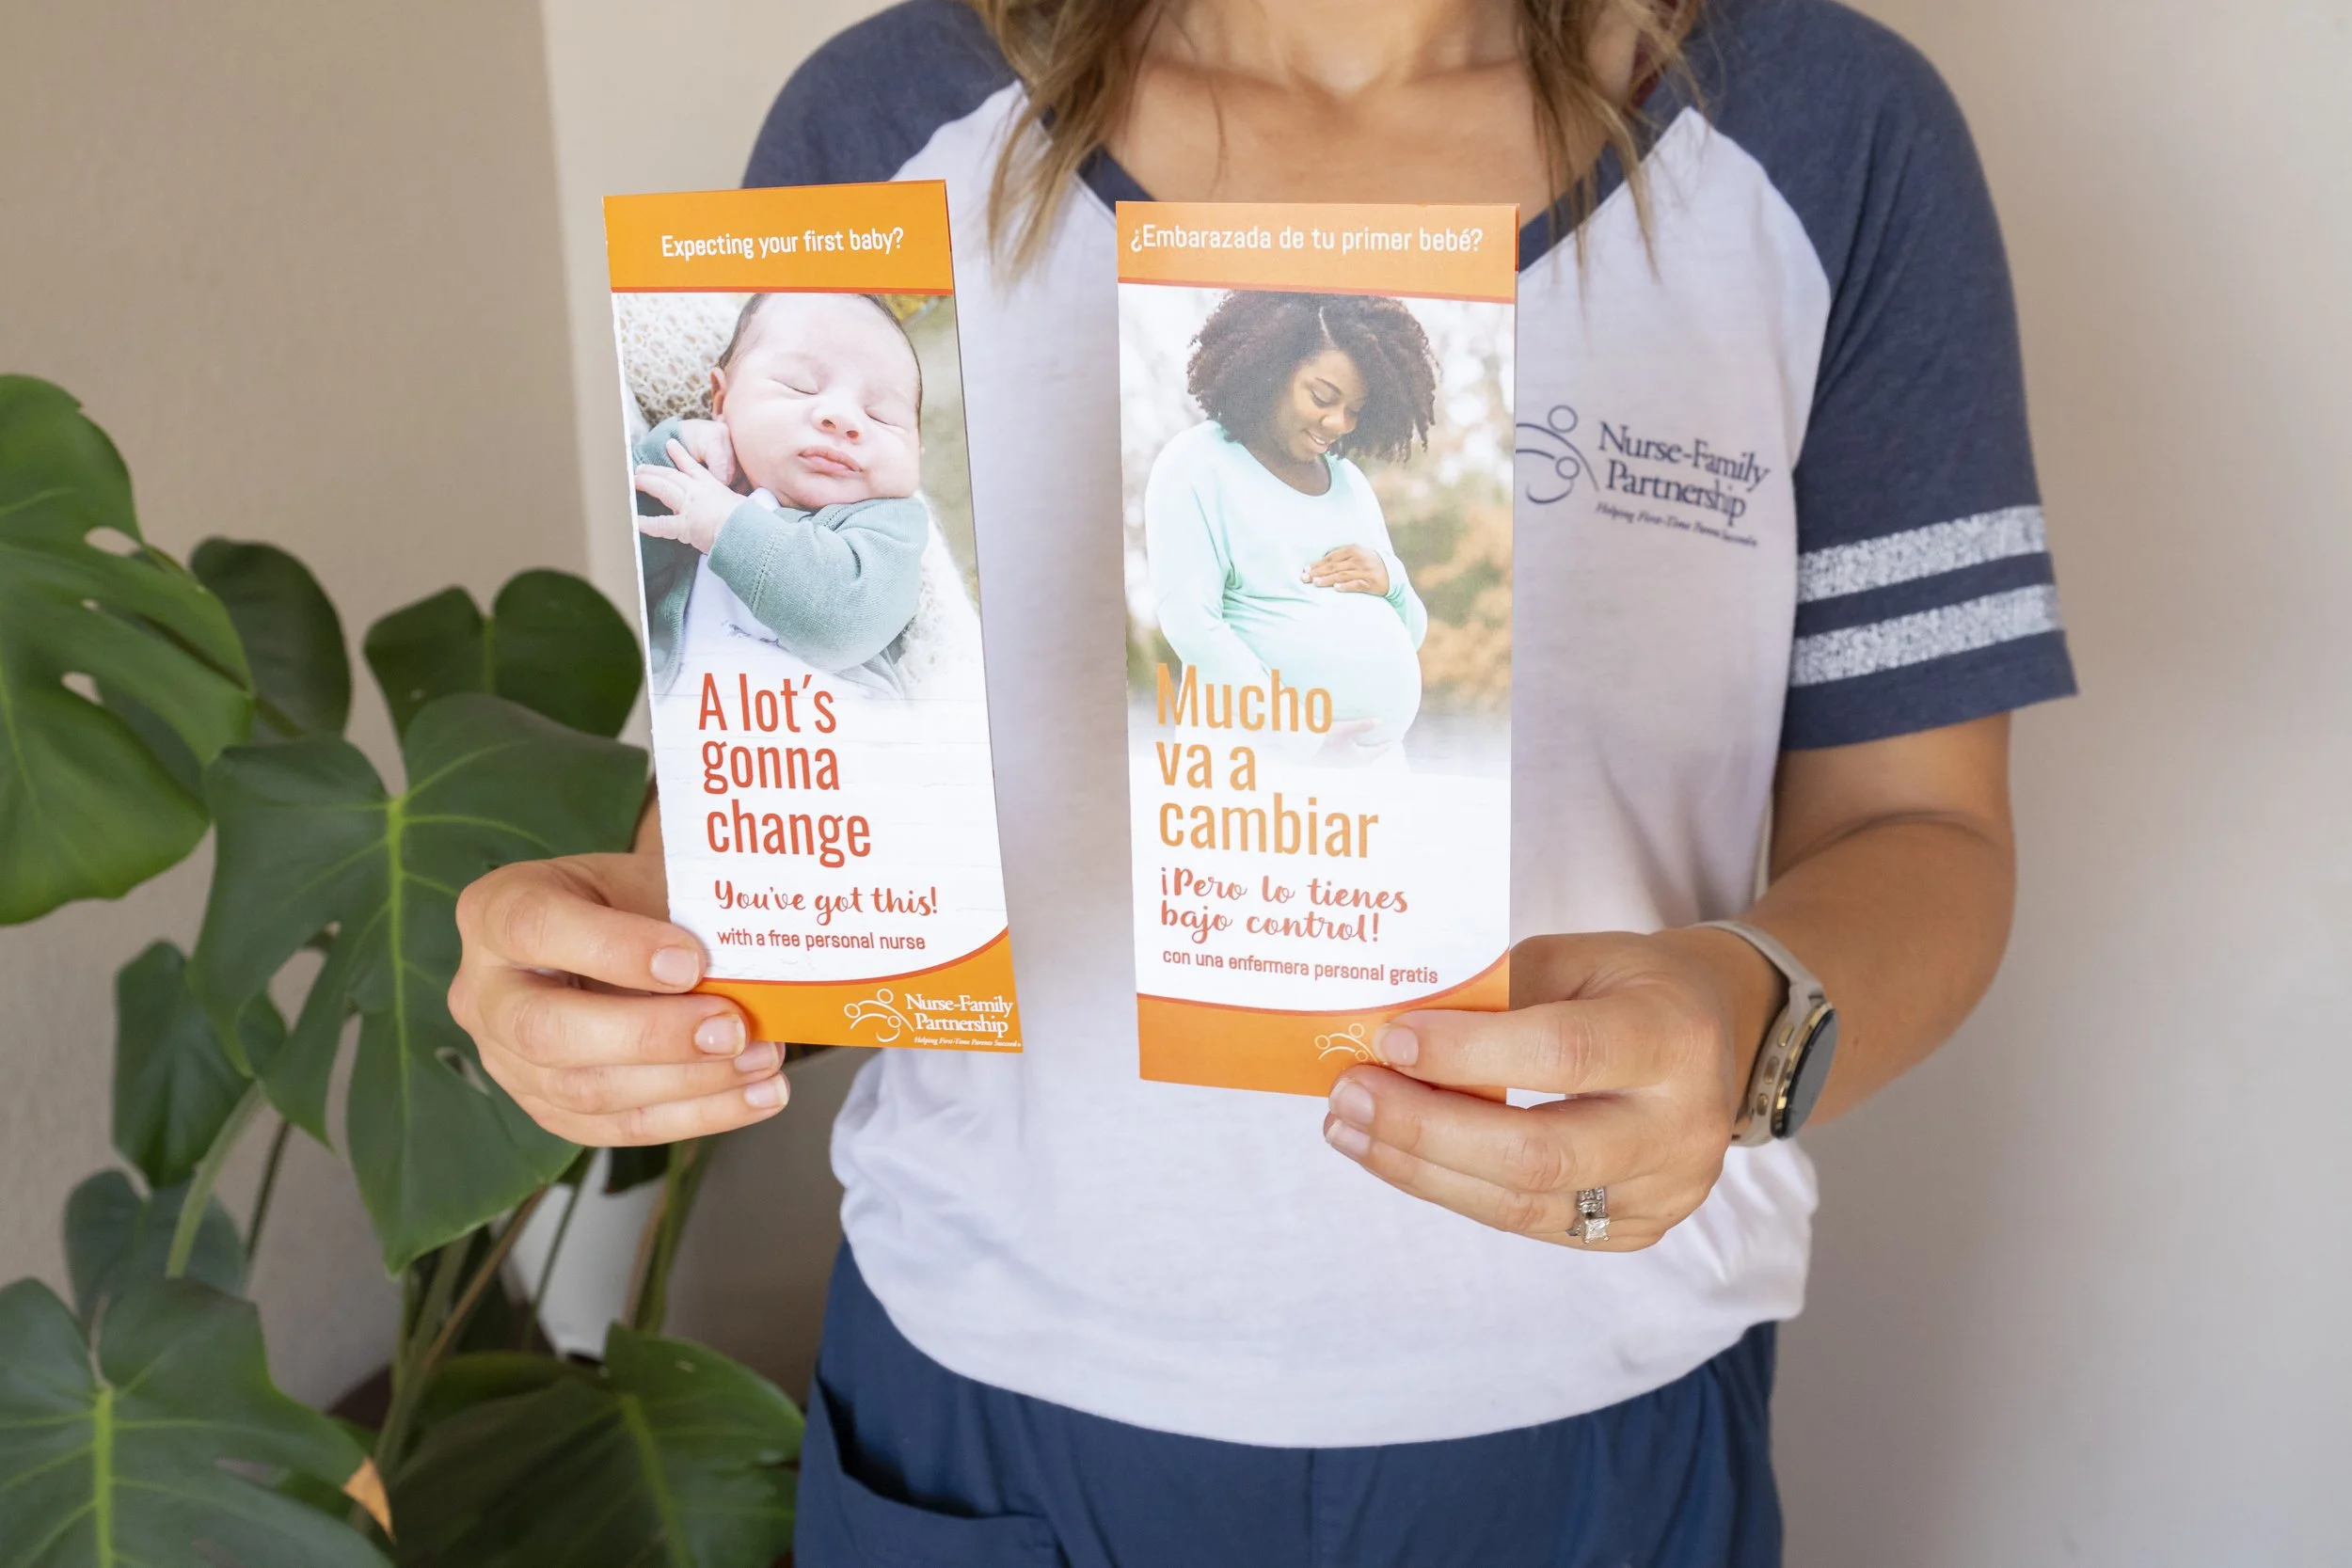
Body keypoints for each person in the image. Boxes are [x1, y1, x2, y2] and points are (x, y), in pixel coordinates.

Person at [450, 0, 2077, 1561]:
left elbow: (1917, 828)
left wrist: (1746, 1031)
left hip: (1592, 1402)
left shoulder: (1819, 136)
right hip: (995, 1399)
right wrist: (646, 956)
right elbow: (786, 804)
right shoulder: (887, 124)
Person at [1146, 291, 1433, 766]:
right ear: (1273, 368)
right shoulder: (1197, 464)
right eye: (1323, 397)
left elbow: (1410, 633)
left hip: (1372, 773)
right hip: (1259, 768)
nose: (1337, 422)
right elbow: (1193, 626)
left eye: (1355, 410)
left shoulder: (1350, 485)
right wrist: (1296, 735)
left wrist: (1391, 580)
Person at [630, 290, 930, 696]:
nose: (841, 418)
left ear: (917, 451)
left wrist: (725, 525)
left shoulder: (889, 524)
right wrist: (667, 458)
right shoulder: (698, 476)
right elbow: (615, 560)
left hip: (834, 751)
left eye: (881, 416)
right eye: (800, 387)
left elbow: (846, 621)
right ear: (721, 399)